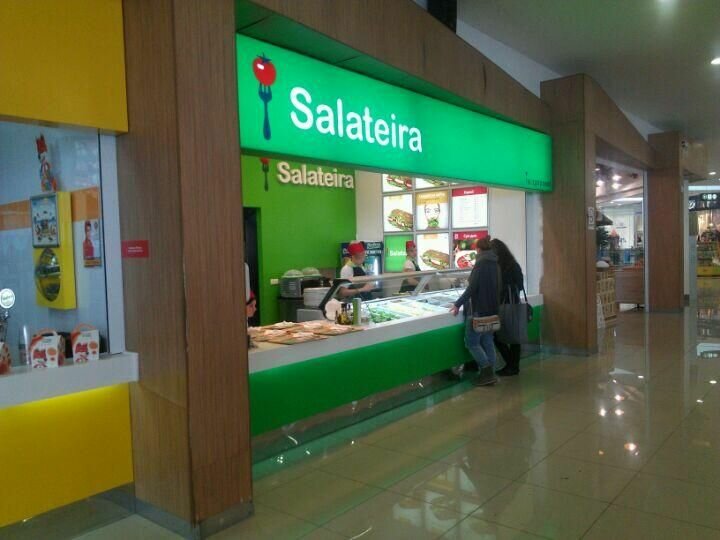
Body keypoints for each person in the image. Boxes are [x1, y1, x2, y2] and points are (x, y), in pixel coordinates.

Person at [450, 236, 500, 386]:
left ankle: (486, 370)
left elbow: (472, 288)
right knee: (487, 340)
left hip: (479, 310)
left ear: (478, 249)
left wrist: (457, 304)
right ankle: (491, 373)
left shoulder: (481, 264)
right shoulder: (495, 263)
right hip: (492, 309)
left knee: (471, 342)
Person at [491, 238, 524, 376]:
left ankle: (511, 365)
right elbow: (520, 285)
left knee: (496, 336)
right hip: (515, 304)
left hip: (502, 306)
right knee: (515, 338)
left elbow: (495, 288)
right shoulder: (514, 265)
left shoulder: (497, 267)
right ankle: (513, 365)